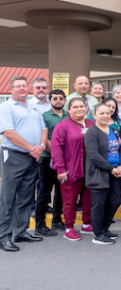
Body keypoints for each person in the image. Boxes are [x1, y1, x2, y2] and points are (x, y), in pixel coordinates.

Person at [0, 76, 48, 251]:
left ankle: (20, 232)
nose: (21, 88)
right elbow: (8, 133)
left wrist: (41, 146)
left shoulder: (34, 106)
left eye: (24, 86)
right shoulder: (6, 107)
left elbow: (44, 128)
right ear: (11, 89)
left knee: (26, 197)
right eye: (17, 86)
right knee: (8, 197)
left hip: (33, 157)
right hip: (14, 155)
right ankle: (3, 235)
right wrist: (31, 148)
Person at [50, 98, 96, 242]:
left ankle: (87, 224)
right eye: (75, 107)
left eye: (81, 106)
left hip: (90, 170)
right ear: (68, 110)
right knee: (70, 201)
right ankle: (69, 228)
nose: (79, 109)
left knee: (89, 199)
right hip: (70, 170)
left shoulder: (92, 124)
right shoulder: (62, 127)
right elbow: (56, 149)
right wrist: (60, 169)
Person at [84, 103, 121, 245]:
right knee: (99, 205)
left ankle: (105, 229)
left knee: (114, 201)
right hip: (99, 173)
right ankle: (98, 234)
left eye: (107, 113)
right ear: (94, 115)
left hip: (115, 173)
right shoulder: (92, 132)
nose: (105, 116)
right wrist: (110, 168)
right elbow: (93, 155)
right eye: (101, 113)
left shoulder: (114, 131)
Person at [34, 90, 67, 237]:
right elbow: (44, 137)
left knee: (61, 191)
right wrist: (55, 154)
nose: (58, 101)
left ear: (65, 100)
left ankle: (57, 219)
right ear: (50, 100)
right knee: (44, 191)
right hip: (48, 158)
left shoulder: (69, 115)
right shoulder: (44, 116)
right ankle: (40, 224)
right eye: (55, 98)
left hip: (65, 160)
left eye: (61, 98)